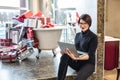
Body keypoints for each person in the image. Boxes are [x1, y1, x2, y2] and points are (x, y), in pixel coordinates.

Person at [57, 14, 98, 80]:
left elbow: (89, 55)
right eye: (81, 23)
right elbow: (75, 50)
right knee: (64, 56)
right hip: (78, 63)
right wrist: (66, 52)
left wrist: (76, 58)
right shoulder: (78, 35)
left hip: (88, 64)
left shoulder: (93, 37)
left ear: (89, 24)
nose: (82, 25)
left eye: (85, 23)